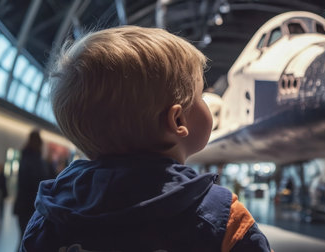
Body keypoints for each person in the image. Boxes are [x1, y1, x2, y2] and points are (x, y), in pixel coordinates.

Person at [21, 26, 271, 251]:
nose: (206, 100)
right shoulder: (222, 216)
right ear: (178, 121)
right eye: (199, 94)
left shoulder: (49, 216)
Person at [14, 130, 47, 241]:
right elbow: (38, 184)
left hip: (23, 206)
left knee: (23, 239)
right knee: (28, 240)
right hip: (31, 207)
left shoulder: (25, 158)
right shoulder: (36, 161)